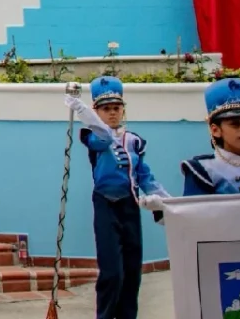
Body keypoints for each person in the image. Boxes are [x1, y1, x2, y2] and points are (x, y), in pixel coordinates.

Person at [65, 77, 170, 319]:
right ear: (96, 111)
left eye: (116, 108)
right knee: (112, 271)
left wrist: (165, 200)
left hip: (130, 204)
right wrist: (82, 111)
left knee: (132, 270)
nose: (112, 113)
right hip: (105, 204)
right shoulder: (92, 137)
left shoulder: (134, 141)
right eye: (105, 109)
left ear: (123, 109)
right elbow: (104, 138)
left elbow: (144, 175)